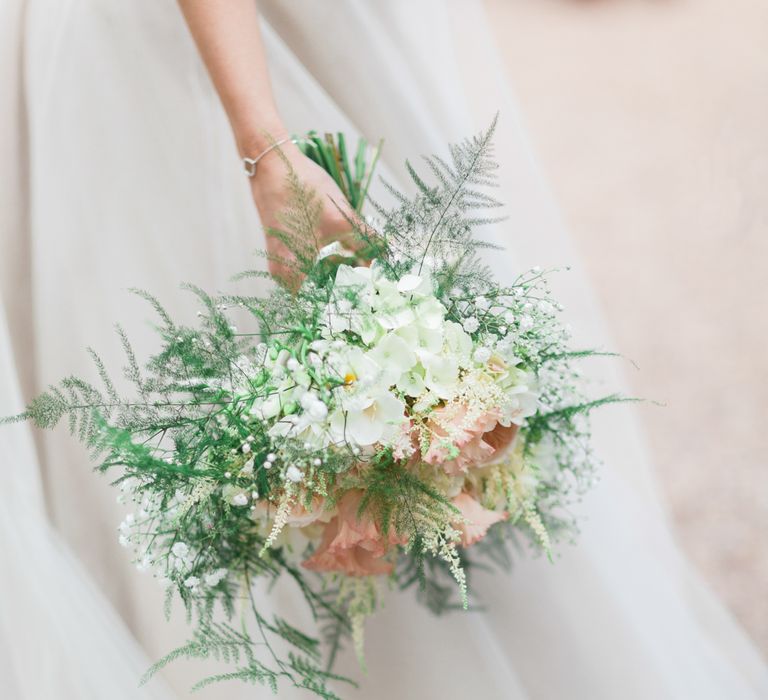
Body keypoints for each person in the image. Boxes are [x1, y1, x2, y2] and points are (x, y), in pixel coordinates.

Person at [1, 1, 766, 698]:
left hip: (331, 36)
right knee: (249, 404)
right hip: (195, 62)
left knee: (430, 386)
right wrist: (265, 146)